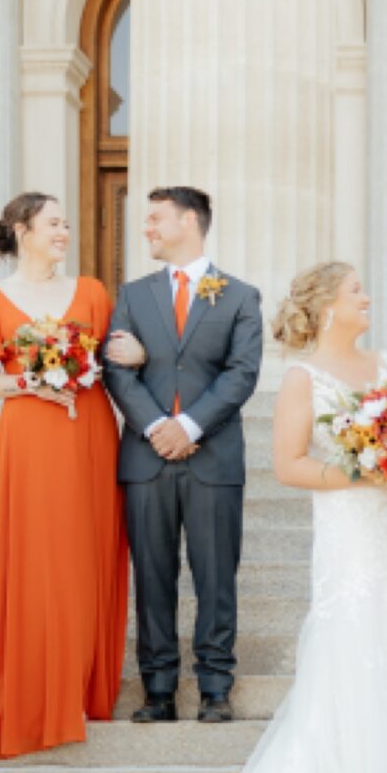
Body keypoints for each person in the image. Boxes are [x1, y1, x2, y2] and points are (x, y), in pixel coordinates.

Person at [181, 263, 387, 773]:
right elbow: (288, 464)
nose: (368, 297)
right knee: (354, 640)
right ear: (330, 305)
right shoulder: (303, 379)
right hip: (349, 527)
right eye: (357, 289)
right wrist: (365, 472)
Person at [0, 192, 128, 758]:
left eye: (66, 223)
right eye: (53, 223)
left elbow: (111, 354)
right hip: (29, 433)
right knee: (39, 554)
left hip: (90, 429)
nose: (64, 232)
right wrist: (29, 383)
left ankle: (82, 684)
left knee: (89, 549)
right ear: (22, 231)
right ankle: (38, 691)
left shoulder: (94, 293)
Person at [101, 187, 265, 721]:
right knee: (152, 574)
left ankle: (215, 686)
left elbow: (241, 374)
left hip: (212, 455)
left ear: (189, 222)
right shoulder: (132, 293)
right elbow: (116, 369)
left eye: (155, 218)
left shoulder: (240, 297)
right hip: (147, 459)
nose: (145, 227)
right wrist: (155, 427)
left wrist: (190, 424)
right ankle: (159, 689)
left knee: (216, 574)